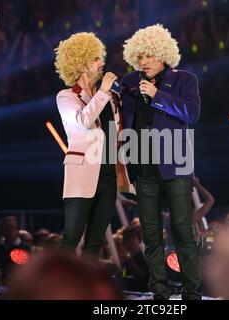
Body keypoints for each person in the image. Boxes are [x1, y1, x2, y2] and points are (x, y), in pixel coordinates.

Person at [121, 24, 201, 300]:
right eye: (139, 56)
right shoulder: (129, 82)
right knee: (151, 234)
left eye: (149, 56)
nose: (143, 62)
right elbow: (123, 123)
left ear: (163, 55)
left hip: (176, 167)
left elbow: (192, 113)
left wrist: (158, 97)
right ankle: (160, 292)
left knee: (182, 231)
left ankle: (192, 292)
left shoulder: (184, 80)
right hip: (143, 168)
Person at [54, 32, 132, 258]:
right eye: (96, 59)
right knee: (72, 236)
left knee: (95, 242)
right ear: (80, 62)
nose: (102, 63)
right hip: (82, 174)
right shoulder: (67, 97)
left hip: (108, 174)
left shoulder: (109, 98)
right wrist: (104, 93)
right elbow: (82, 122)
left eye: (101, 58)